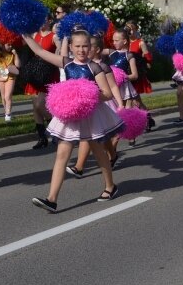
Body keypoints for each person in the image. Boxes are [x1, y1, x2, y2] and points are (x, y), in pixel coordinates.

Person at [24, 28, 123, 212]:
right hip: (70, 115)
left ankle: (110, 186)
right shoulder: (66, 64)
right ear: (70, 46)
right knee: (61, 155)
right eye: (77, 46)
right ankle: (51, 199)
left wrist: (85, 94)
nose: (81, 50)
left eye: (85, 46)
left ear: (91, 48)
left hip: (90, 115)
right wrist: (26, 34)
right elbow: (39, 52)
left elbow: (107, 93)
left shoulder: (94, 67)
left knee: (99, 152)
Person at [66, 34, 125, 178]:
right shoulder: (79, 64)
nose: (84, 49)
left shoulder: (102, 66)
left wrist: (121, 104)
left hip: (104, 103)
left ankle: (79, 166)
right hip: (87, 105)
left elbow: (112, 87)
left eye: (88, 46)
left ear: (96, 49)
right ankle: (112, 155)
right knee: (98, 138)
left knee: (94, 137)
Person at [24, 15, 58, 149]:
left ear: (49, 21)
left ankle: (56, 129)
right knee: (35, 108)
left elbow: (59, 52)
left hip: (48, 73)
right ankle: (42, 138)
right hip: (35, 72)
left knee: (40, 105)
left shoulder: (54, 36)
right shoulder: (34, 34)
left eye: (44, 19)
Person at [126, 20, 155, 131]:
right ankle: (147, 119)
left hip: (136, 73)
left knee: (136, 101)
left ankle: (145, 120)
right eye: (127, 28)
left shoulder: (140, 42)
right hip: (126, 73)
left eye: (131, 28)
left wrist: (145, 60)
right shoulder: (125, 42)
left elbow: (148, 58)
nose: (129, 31)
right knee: (135, 101)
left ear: (135, 29)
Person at [0, 41, 20, 121]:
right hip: (0, 77)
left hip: (11, 77)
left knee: (8, 96)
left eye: (11, 45)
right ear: (2, 45)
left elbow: (18, 65)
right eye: (8, 44)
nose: (10, 46)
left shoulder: (12, 54)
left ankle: (8, 114)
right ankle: (6, 112)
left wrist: (16, 54)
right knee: (3, 97)